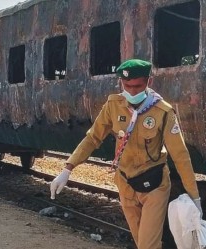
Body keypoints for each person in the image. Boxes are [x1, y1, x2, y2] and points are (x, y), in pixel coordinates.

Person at [50, 59, 202, 249]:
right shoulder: (114, 105)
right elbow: (93, 138)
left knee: (148, 245)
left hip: (154, 184)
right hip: (125, 182)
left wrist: (194, 196)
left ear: (149, 82)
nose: (131, 91)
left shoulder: (163, 111)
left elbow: (180, 155)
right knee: (140, 242)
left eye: (137, 86)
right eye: (127, 85)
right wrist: (68, 168)